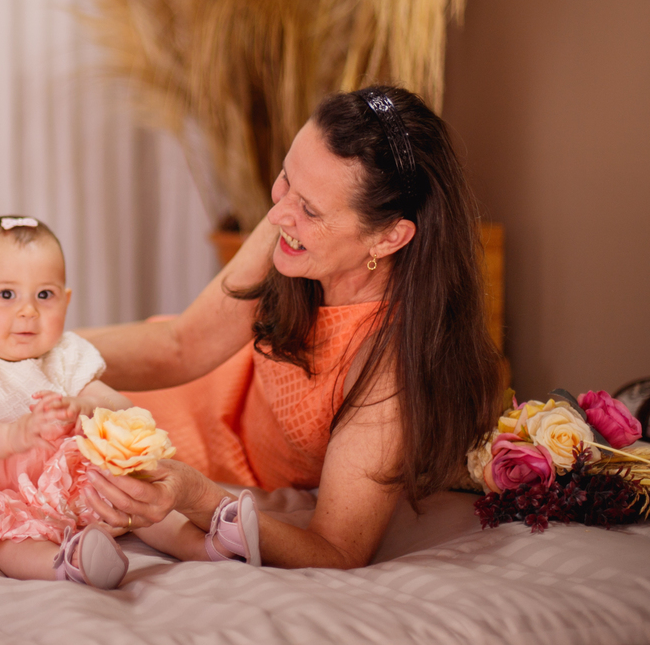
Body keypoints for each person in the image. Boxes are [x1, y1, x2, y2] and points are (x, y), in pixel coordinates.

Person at [79, 86, 503, 569]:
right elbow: (181, 345)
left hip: (202, 461)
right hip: (183, 387)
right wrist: (30, 355)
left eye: (311, 211)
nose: (279, 212)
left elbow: (337, 550)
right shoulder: (295, 219)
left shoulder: (389, 368)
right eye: (285, 178)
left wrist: (196, 496)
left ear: (389, 237)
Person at [0, 216, 227, 588]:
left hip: (58, 478)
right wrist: (14, 435)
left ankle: (205, 544)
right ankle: (67, 562)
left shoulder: (66, 353)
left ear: (65, 300)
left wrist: (83, 406)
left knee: (134, 497)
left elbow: (117, 403)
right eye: (7, 295)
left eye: (44, 295)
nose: (28, 310)